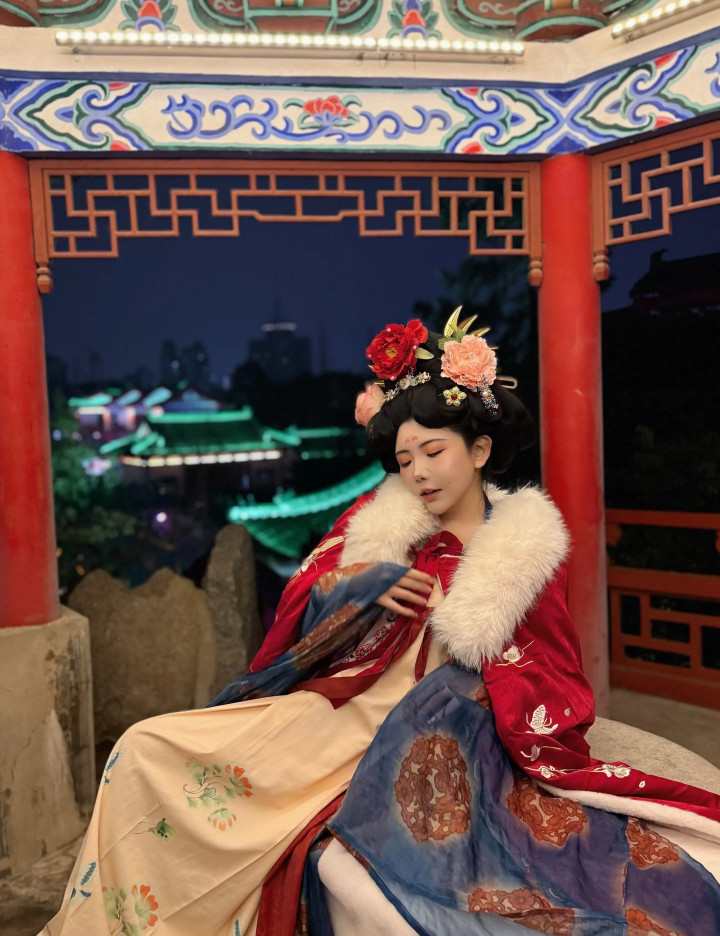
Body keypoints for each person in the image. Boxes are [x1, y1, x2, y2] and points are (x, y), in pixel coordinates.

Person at [43, 309, 720, 936]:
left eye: (434, 451)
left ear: (479, 449)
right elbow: (304, 602)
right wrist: (361, 586)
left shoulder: (526, 552)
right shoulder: (381, 531)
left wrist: (475, 689)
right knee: (144, 748)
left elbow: (556, 675)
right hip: (342, 711)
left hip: (424, 739)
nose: (418, 473)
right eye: (404, 460)